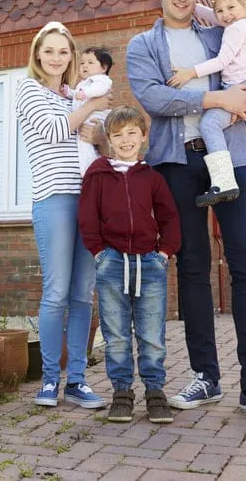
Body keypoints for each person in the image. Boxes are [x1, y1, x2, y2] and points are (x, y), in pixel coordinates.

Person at [126, 0, 246, 423]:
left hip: (234, 156)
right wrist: (217, 98)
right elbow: (155, 98)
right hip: (179, 162)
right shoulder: (143, 45)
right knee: (192, 267)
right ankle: (205, 375)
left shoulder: (218, 32)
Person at [15, 21, 111, 409]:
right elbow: (55, 132)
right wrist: (91, 107)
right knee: (56, 292)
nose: (57, 58)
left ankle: (78, 381)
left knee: (82, 293)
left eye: (64, 51)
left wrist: (97, 125)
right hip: (53, 199)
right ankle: (49, 381)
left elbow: (99, 142)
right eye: (50, 50)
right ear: (38, 54)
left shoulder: (76, 94)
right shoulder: (29, 89)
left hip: (87, 199)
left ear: (72, 57)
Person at [78, 106, 181, 424]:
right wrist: (98, 252)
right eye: (118, 135)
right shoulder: (97, 173)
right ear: (108, 139)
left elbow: (169, 217)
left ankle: (155, 392)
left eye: (132, 133)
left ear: (143, 136)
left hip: (149, 264)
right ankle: (122, 393)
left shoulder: (152, 177)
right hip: (111, 262)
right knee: (117, 334)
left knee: (151, 333)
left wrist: (164, 253)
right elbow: (87, 216)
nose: (125, 140)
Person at [167, 0, 246, 207]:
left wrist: (189, 73)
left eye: (231, 8)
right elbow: (216, 18)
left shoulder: (235, 30)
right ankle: (236, 182)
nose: (225, 15)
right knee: (243, 158)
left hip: (241, 94)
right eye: (220, 10)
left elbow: (222, 60)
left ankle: (223, 182)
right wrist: (193, 5)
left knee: (209, 125)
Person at [74, 46, 114, 176]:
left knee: (85, 145)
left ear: (104, 68)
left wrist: (84, 93)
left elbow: (99, 90)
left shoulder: (102, 80)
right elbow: (76, 96)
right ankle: (90, 171)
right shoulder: (83, 83)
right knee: (85, 145)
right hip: (85, 119)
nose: (85, 66)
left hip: (93, 120)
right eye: (82, 63)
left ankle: (89, 172)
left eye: (90, 62)